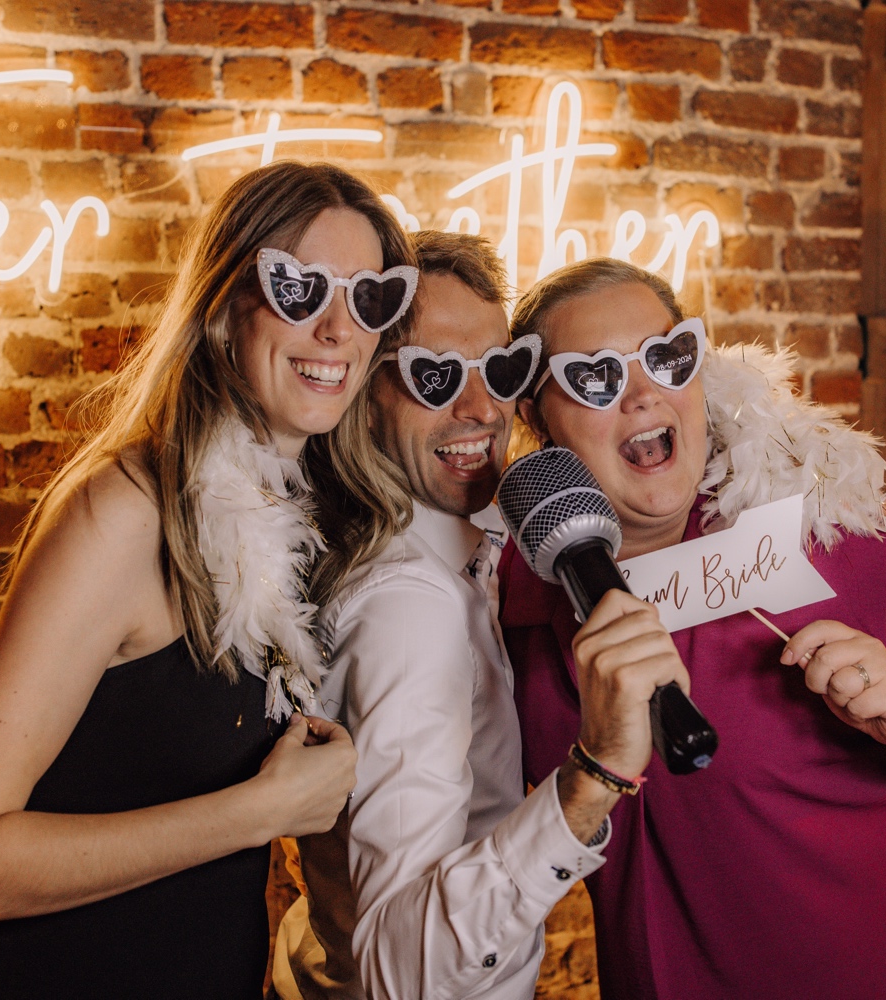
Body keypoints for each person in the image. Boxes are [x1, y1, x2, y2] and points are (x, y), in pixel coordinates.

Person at [0, 161, 420, 999]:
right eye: (298, 288)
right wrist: (258, 813)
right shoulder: (129, 512)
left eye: (368, 299)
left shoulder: (291, 521)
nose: (336, 328)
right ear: (225, 308)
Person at [499, 257, 886, 999]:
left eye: (668, 356)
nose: (643, 392)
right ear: (537, 417)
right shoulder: (515, 599)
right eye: (594, 378)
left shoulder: (820, 524)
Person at [272, 232, 677, 1000]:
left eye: (500, 371)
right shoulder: (409, 609)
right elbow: (403, 972)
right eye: (433, 377)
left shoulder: (463, 559)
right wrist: (592, 778)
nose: (480, 408)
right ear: (363, 391)